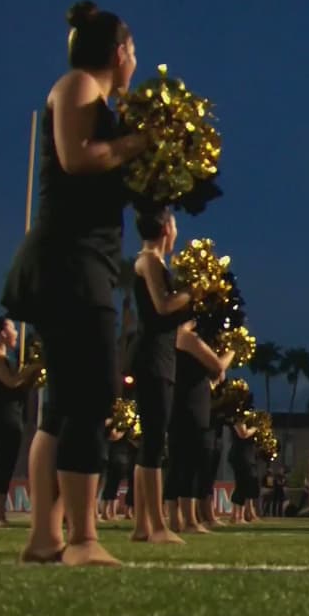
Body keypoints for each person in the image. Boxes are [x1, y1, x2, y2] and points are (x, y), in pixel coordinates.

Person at [1, 1, 150, 566]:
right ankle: (83, 539)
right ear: (119, 52)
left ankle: (45, 537)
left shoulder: (99, 98)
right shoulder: (78, 85)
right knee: (89, 399)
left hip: (80, 262)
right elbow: (76, 158)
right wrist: (135, 144)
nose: (136, 59)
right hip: (69, 263)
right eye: (133, 50)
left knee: (65, 406)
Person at [129, 209, 190, 543]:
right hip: (152, 357)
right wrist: (196, 292)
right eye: (176, 224)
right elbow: (164, 306)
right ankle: (155, 525)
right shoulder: (149, 260)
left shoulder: (156, 262)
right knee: (153, 443)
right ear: (166, 226)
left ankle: (143, 526)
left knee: (152, 442)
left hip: (160, 357)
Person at [169, 322, 233, 533]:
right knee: (187, 460)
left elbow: (214, 377)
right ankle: (187, 520)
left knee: (182, 460)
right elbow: (218, 367)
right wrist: (234, 349)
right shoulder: (187, 337)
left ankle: (179, 519)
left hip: (189, 400)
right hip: (189, 403)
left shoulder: (182, 338)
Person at [0, 316, 42, 527]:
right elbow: (11, 382)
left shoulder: (4, 358)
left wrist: (34, 373)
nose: (16, 333)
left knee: (2, 463)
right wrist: (35, 366)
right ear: (2, 333)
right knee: (1, 465)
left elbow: (20, 386)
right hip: (3, 417)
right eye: (13, 328)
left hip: (12, 415)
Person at [228, 412, 260, 525]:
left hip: (246, 455)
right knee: (242, 484)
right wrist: (256, 428)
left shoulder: (247, 419)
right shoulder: (237, 417)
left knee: (245, 484)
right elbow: (243, 433)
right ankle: (237, 516)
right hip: (240, 455)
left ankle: (236, 516)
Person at [100, 425, 133, 520]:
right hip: (114, 454)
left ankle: (111, 512)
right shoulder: (117, 423)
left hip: (124, 453)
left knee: (114, 483)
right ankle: (105, 512)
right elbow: (113, 436)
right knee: (111, 482)